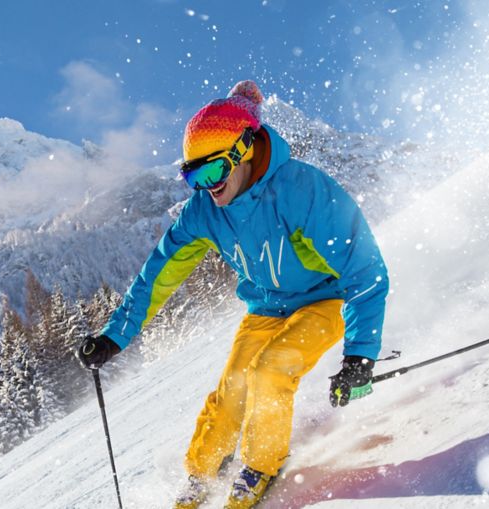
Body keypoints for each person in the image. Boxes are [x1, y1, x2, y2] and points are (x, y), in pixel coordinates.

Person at [76, 80, 388, 509]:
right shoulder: (203, 212)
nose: (206, 187)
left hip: (324, 299)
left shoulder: (301, 190)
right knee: (234, 389)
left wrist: (360, 355)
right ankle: (201, 473)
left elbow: (364, 267)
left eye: (212, 172)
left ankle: (260, 466)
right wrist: (115, 336)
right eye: (193, 176)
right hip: (265, 309)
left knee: (270, 372)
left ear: (244, 150)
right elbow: (158, 274)